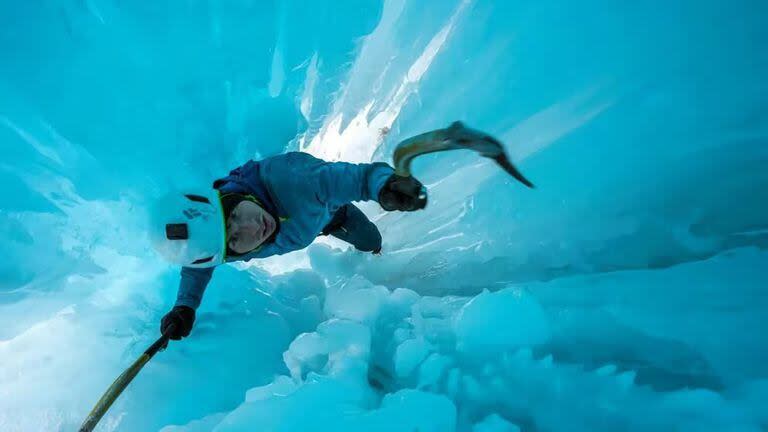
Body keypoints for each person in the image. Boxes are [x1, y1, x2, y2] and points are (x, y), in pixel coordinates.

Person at [151, 151, 427, 341]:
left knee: (370, 241)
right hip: (307, 225)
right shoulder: (219, 243)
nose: (252, 227)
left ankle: (375, 254)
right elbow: (198, 268)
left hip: (332, 216)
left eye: (235, 215)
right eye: (235, 238)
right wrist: (184, 307)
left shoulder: (294, 179)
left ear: (225, 197)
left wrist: (384, 185)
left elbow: (348, 178)